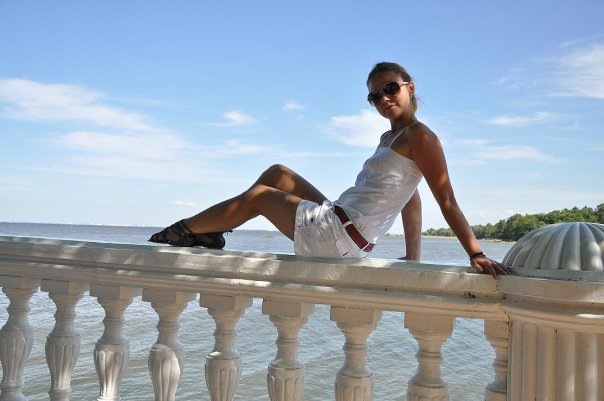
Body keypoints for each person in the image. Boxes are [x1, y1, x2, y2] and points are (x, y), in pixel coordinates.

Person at [149, 62, 510, 278]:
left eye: (390, 88)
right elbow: (409, 195)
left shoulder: (422, 136)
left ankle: (183, 231)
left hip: (341, 237)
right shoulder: (390, 137)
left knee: (260, 196)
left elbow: (446, 200)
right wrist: (413, 257)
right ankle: (212, 232)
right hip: (342, 221)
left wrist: (475, 254)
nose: (383, 98)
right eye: (375, 96)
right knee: (277, 173)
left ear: (409, 87)